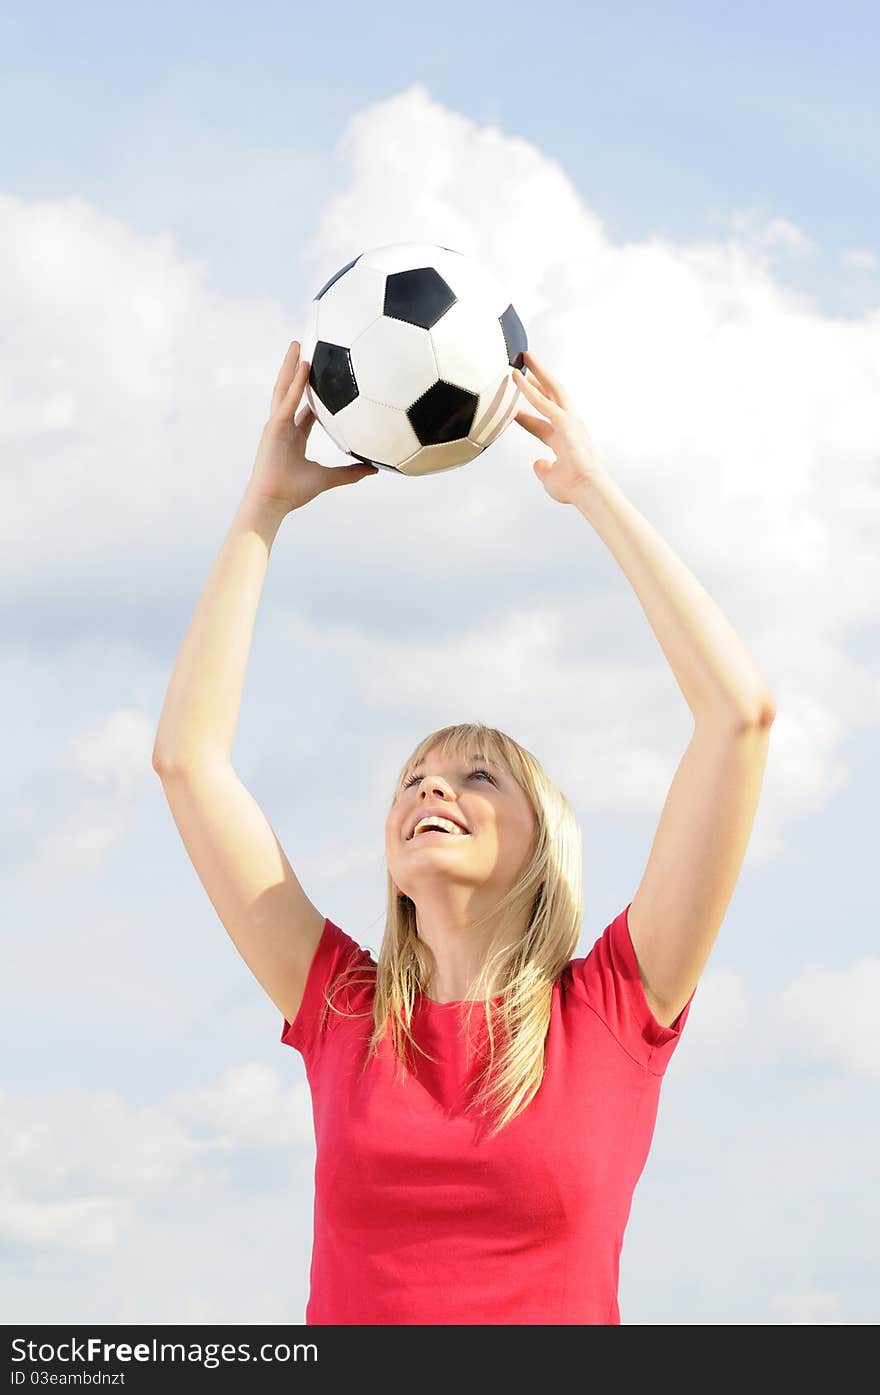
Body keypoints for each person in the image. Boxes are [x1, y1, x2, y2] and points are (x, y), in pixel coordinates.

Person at [152, 340, 776, 1325]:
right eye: (412, 778)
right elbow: (190, 762)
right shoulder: (343, 1013)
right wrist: (263, 504)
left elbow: (737, 719)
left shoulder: (613, 1007)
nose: (428, 789)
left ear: (543, 841)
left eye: (475, 774)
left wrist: (593, 491)